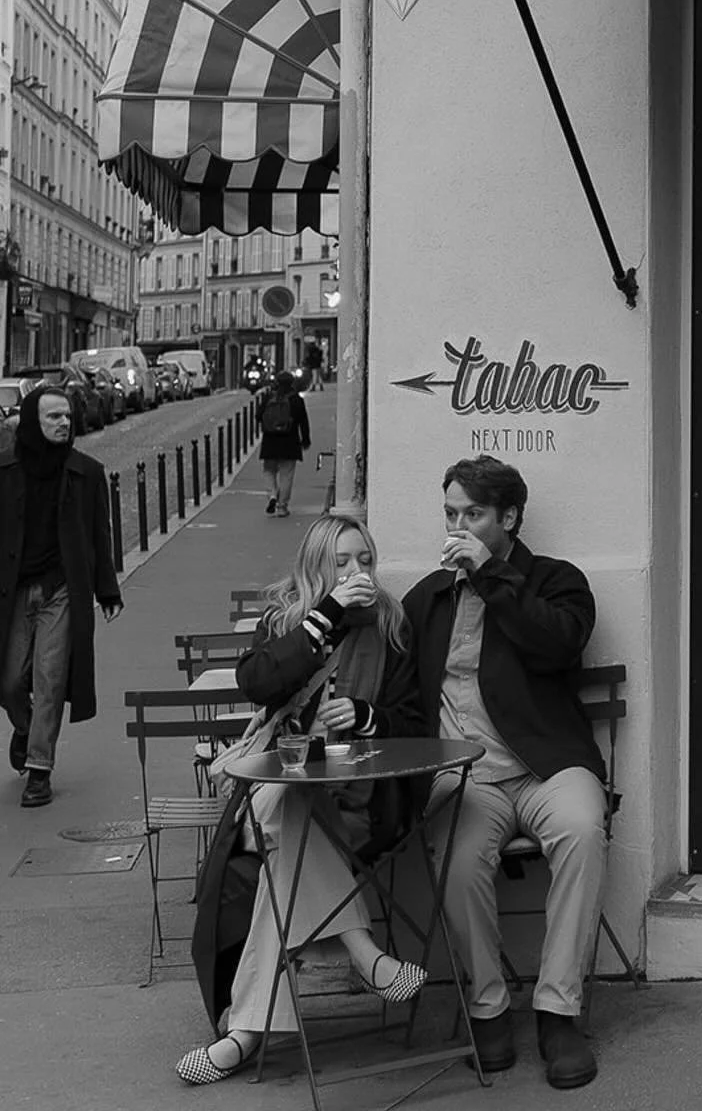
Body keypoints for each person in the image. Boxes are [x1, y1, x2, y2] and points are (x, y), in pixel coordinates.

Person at [178, 513, 425, 1085]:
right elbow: (259, 683)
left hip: (359, 802)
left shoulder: (390, 625)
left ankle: (244, 1034)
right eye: (340, 563)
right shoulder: (289, 621)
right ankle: (368, 955)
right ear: (316, 568)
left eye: (364, 560)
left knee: (281, 826)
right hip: (283, 794)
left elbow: (413, 721)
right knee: (286, 809)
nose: (357, 571)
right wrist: (328, 614)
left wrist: (368, 717)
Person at [404, 456, 607, 1092]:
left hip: (548, 767)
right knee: (460, 863)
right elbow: (404, 697)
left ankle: (557, 1011)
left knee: (582, 830)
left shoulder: (555, 582)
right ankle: (488, 1007)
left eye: (473, 514)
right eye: (450, 514)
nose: (457, 526)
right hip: (468, 778)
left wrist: (493, 576)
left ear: (510, 518)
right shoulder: (428, 599)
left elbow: (555, 644)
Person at [0, 387, 121, 808]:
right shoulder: (7, 470)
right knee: (10, 680)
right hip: (14, 590)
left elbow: (100, 535)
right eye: (53, 417)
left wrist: (106, 589)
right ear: (33, 421)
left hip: (62, 590)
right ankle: (25, 726)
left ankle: (39, 769)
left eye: (67, 416)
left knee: (49, 678)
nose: (63, 424)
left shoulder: (86, 473)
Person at [258, 371, 309, 518]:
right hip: (290, 442)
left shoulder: (269, 397)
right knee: (286, 475)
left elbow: (258, 415)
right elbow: (303, 422)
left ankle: (272, 495)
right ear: (292, 383)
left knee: (269, 471)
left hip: (270, 442)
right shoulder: (296, 400)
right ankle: (282, 506)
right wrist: (305, 440)